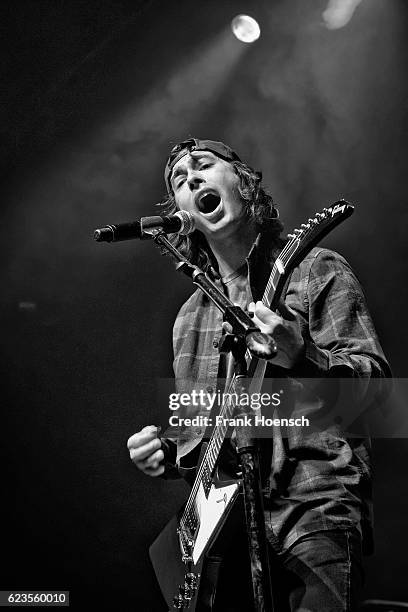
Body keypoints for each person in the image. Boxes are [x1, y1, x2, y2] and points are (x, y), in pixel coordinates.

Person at [127, 138, 390, 611]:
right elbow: (205, 433)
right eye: (180, 181)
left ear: (244, 184)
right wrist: (166, 452)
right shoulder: (189, 318)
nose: (192, 179)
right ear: (181, 213)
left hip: (314, 503)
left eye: (205, 166)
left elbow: (374, 392)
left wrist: (301, 355)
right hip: (227, 528)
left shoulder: (314, 271)